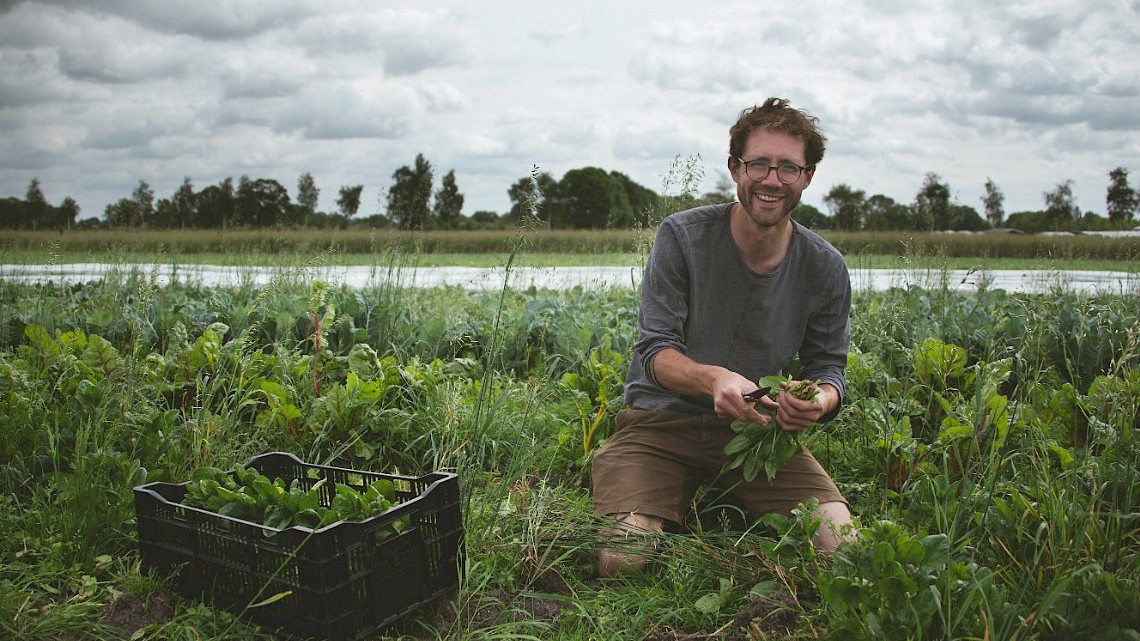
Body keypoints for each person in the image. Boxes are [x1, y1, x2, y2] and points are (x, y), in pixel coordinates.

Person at [591, 97, 854, 576]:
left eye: (788, 167)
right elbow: (655, 352)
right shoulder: (683, 237)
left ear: (807, 176)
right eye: (759, 163)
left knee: (843, 548)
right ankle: (670, 494)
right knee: (623, 559)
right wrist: (713, 379)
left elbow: (829, 368)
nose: (772, 179)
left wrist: (817, 399)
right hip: (660, 423)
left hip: (757, 433)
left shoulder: (826, 266)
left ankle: (715, 494)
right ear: (735, 168)